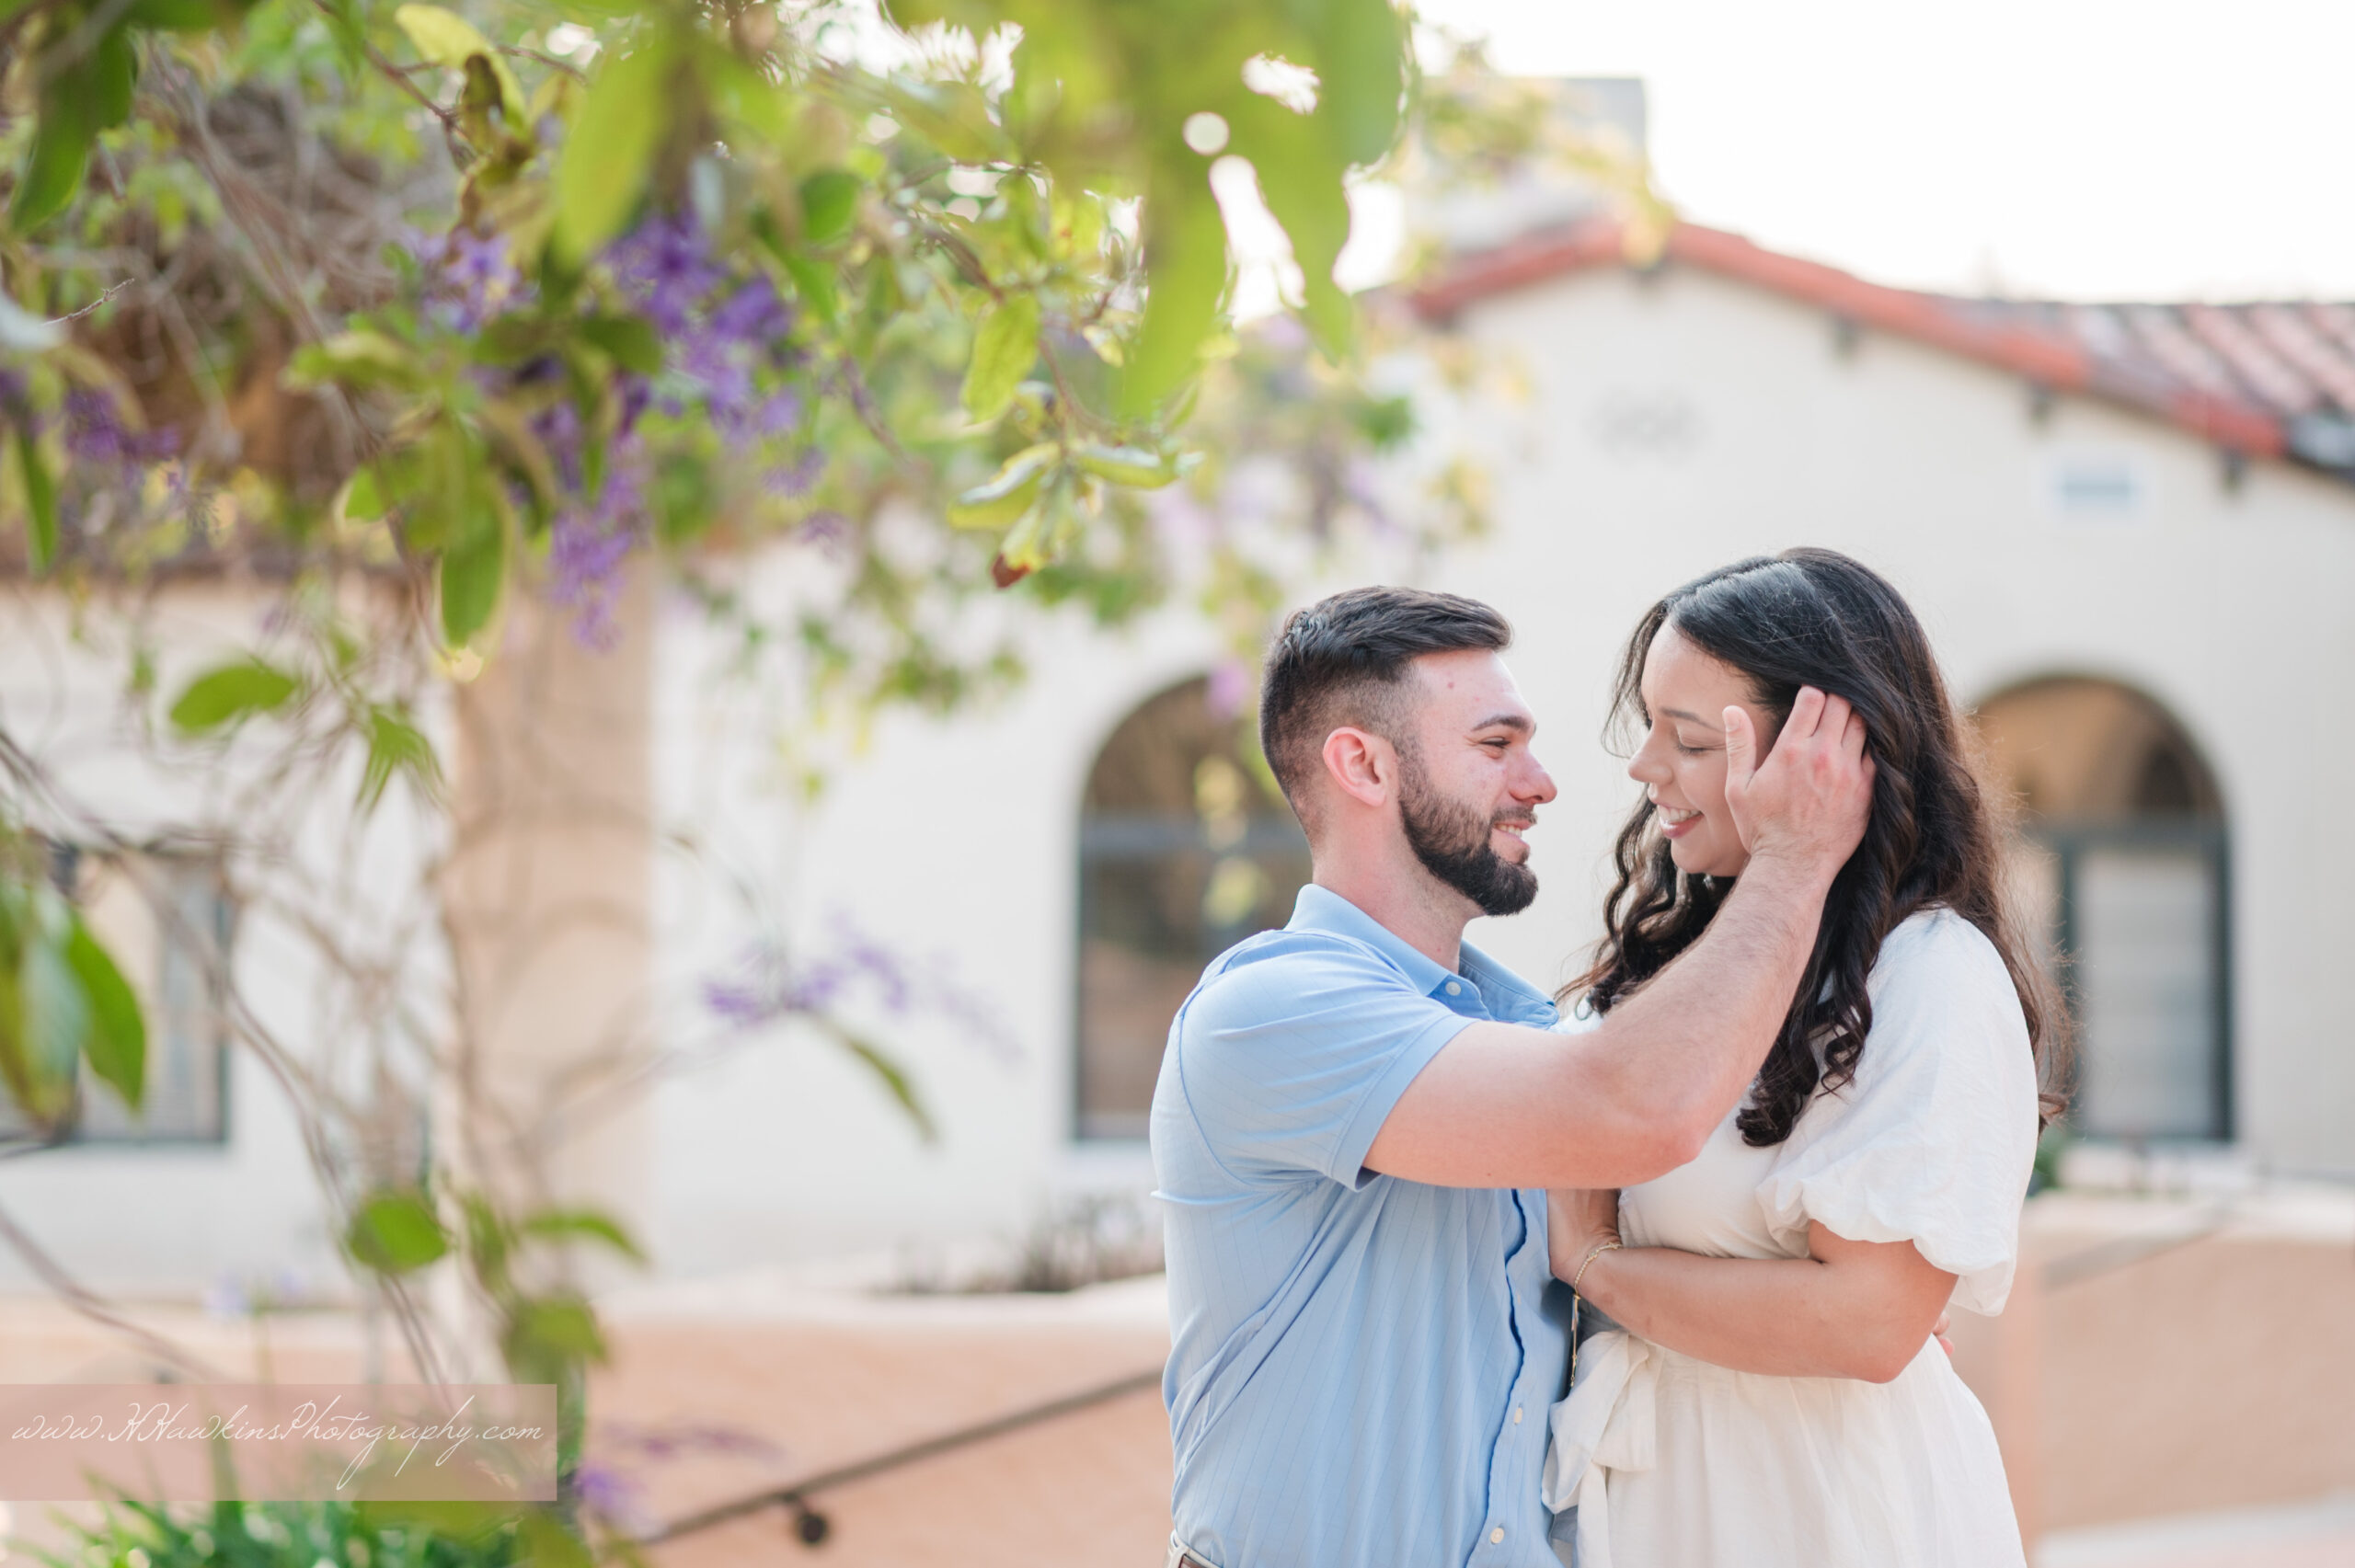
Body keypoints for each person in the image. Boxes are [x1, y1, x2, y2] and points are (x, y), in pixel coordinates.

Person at [1150, 585, 1875, 1568]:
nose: (1539, 783)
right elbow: (1637, 1107)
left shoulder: (1535, 1034)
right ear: (1362, 763)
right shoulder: (1271, 1013)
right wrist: (1793, 857)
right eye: (1496, 746)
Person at [1542, 549, 2065, 1568]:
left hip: (1824, 1518)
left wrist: (1598, 1263)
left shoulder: (1930, 976)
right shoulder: (1691, 965)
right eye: (1649, 726)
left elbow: (1868, 1324)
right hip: (1665, 1507)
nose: (1646, 767)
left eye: (1687, 738)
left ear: (1826, 752)